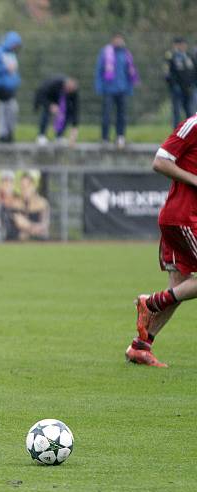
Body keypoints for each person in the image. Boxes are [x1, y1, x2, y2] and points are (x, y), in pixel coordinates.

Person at [125, 113, 197, 368]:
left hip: (183, 217)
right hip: (184, 218)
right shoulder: (194, 124)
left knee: (178, 288)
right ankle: (151, 302)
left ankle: (140, 346)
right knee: (175, 292)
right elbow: (160, 162)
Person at [95, 33, 139, 149]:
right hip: (108, 89)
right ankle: (105, 137)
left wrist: (129, 88)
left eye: (121, 39)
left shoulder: (126, 54)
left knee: (122, 115)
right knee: (106, 114)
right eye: (117, 39)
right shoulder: (105, 52)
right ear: (112, 40)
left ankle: (120, 137)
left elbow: (130, 72)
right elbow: (99, 70)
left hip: (122, 89)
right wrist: (99, 87)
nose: (119, 41)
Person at [0, 31, 22, 143]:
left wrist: (16, 80)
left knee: (9, 109)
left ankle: (8, 133)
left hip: (11, 87)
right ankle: (3, 133)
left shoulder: (11, 54)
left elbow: (14, 71)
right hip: (1, 86)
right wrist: (6, 69)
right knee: (7, 108)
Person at [34, 76, 79, 146]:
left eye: (71, 91)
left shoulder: (73, 91)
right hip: (48, 99)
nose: (69, 92)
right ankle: (41, 135)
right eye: (68, 89)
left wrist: (75, 126)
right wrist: (50, 105)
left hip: (60, 101)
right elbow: (41, 96)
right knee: (46, 113)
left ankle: (59, 136)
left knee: (66, 113)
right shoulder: (53, 84)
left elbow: (75, 108)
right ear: (65, 85)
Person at [164, 37, 195, 130]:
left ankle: (190, 134)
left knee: (189, 112)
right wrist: (174, 85)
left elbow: (194, 71)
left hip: (189, 88)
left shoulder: (189, 57)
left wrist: (193, 84)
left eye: (183, 44)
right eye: (180, 44)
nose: (182, 46)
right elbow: (167, 73)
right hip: (177, 89)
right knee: (177, 112)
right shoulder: (171, 57)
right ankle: (177, 135)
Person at [13, 174, 49, 240]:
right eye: (22, 186)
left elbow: (44, 227)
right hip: (20, 242)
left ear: (33, 187)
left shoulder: (42, 203)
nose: (24, 189)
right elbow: (18, 225)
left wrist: (28, 225)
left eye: (27, 186)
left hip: (39, 240)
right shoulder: (16, 204)